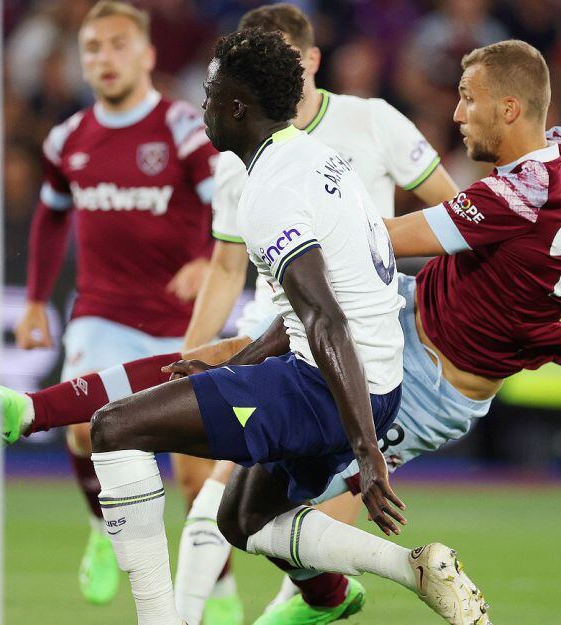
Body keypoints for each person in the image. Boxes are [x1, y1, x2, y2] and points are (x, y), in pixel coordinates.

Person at [1, 38, 561, 625]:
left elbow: (380, 237)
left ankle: (356, 588)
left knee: (303, 526)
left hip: (431, 385)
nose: (457, 113)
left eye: (468, 99)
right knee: (234, 435)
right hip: (405, 311)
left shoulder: (502, 199)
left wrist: (302, 213)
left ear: (510, 107)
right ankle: (33, 408)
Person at [171, 5, 460, 622]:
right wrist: (193, 360)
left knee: (265, 522)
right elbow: (227, 270)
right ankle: (234, 604)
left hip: (357, 355)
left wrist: (411, 288)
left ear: (312, 61)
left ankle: (314, 598)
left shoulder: (371, 122)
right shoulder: (239, 154)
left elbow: (458, 218)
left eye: (282, 61)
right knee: (222, 505)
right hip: (276, 339)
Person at [12, 0, 217, 606]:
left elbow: (224, 202)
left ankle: (220, 590)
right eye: (93, 48)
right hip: (101, 312)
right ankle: (103, 529)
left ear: (149, 54)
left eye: (118, 44)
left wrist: (208, 257)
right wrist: (32, 301)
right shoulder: (67, 138)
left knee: (195, 473)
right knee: (83, 432)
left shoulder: (182, 128)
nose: (105, 58)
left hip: (184, 323)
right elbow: (50, 218)